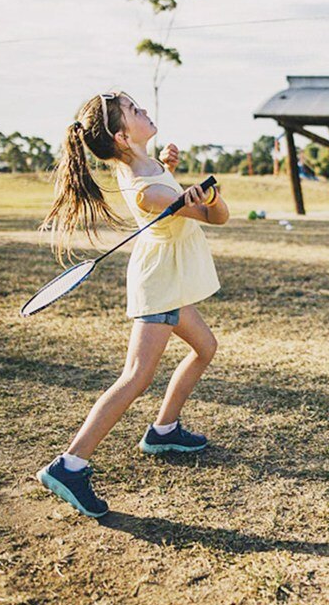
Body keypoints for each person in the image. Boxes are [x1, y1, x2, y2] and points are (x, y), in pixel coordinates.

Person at [35, 91, 230, 517]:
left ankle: (164, 430)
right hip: (160, 285)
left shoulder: (143, 166)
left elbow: (155, 181)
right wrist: (209, 200)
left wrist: (170, 170)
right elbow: (219, 218)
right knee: (136, 376)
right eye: (134, 110)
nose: (144, 110)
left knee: (205, 347)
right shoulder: (148, 191)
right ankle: (70, 464)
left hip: (168, 279)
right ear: (123, 136)